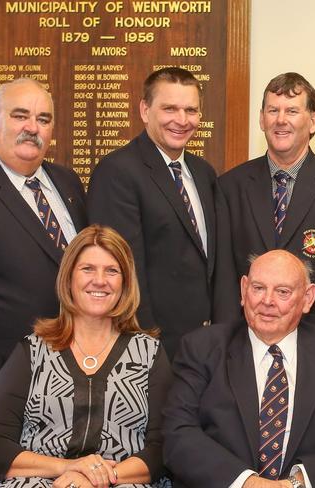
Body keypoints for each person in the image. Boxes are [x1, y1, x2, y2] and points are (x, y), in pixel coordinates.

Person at [0, 225, 171, 488]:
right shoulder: (32, 351)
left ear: (125, 283)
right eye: (88, 269)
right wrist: (69, 469)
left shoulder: (149, 354)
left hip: (121, 481)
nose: (100, 280)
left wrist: (96, 479)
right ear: (69, 278)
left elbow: (164, 448)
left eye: (112, 271)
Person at [163, 250, 315, 488]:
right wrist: (248, 484)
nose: (267, 301)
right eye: (258, 288)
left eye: (283, 292)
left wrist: (294, 484)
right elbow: (177, 434)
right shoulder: (201, 349)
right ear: (243, 290)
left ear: (308, 298)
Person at [0, 78, 87, 483]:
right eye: (20, 115)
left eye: (43, 119)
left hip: (73, 382)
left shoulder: (68, 184)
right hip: (0, 392)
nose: (32, 127)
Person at [215, 72, 315, 339]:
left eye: (292, 111)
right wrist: (227, 344)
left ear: (313, 120)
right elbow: (225, 278)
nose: (281, 120)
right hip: (245, 341)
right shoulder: (230, 186)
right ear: (261, 119)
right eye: (273, 110)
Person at [87, 67, 218, 359]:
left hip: (205, 346)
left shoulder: (203, 173)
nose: (182, 120)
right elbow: (123, 270)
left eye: (190, 110)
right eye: (169, 108)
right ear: (145, 110)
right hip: (150, 348)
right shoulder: (117, 172)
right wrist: (146, 347)